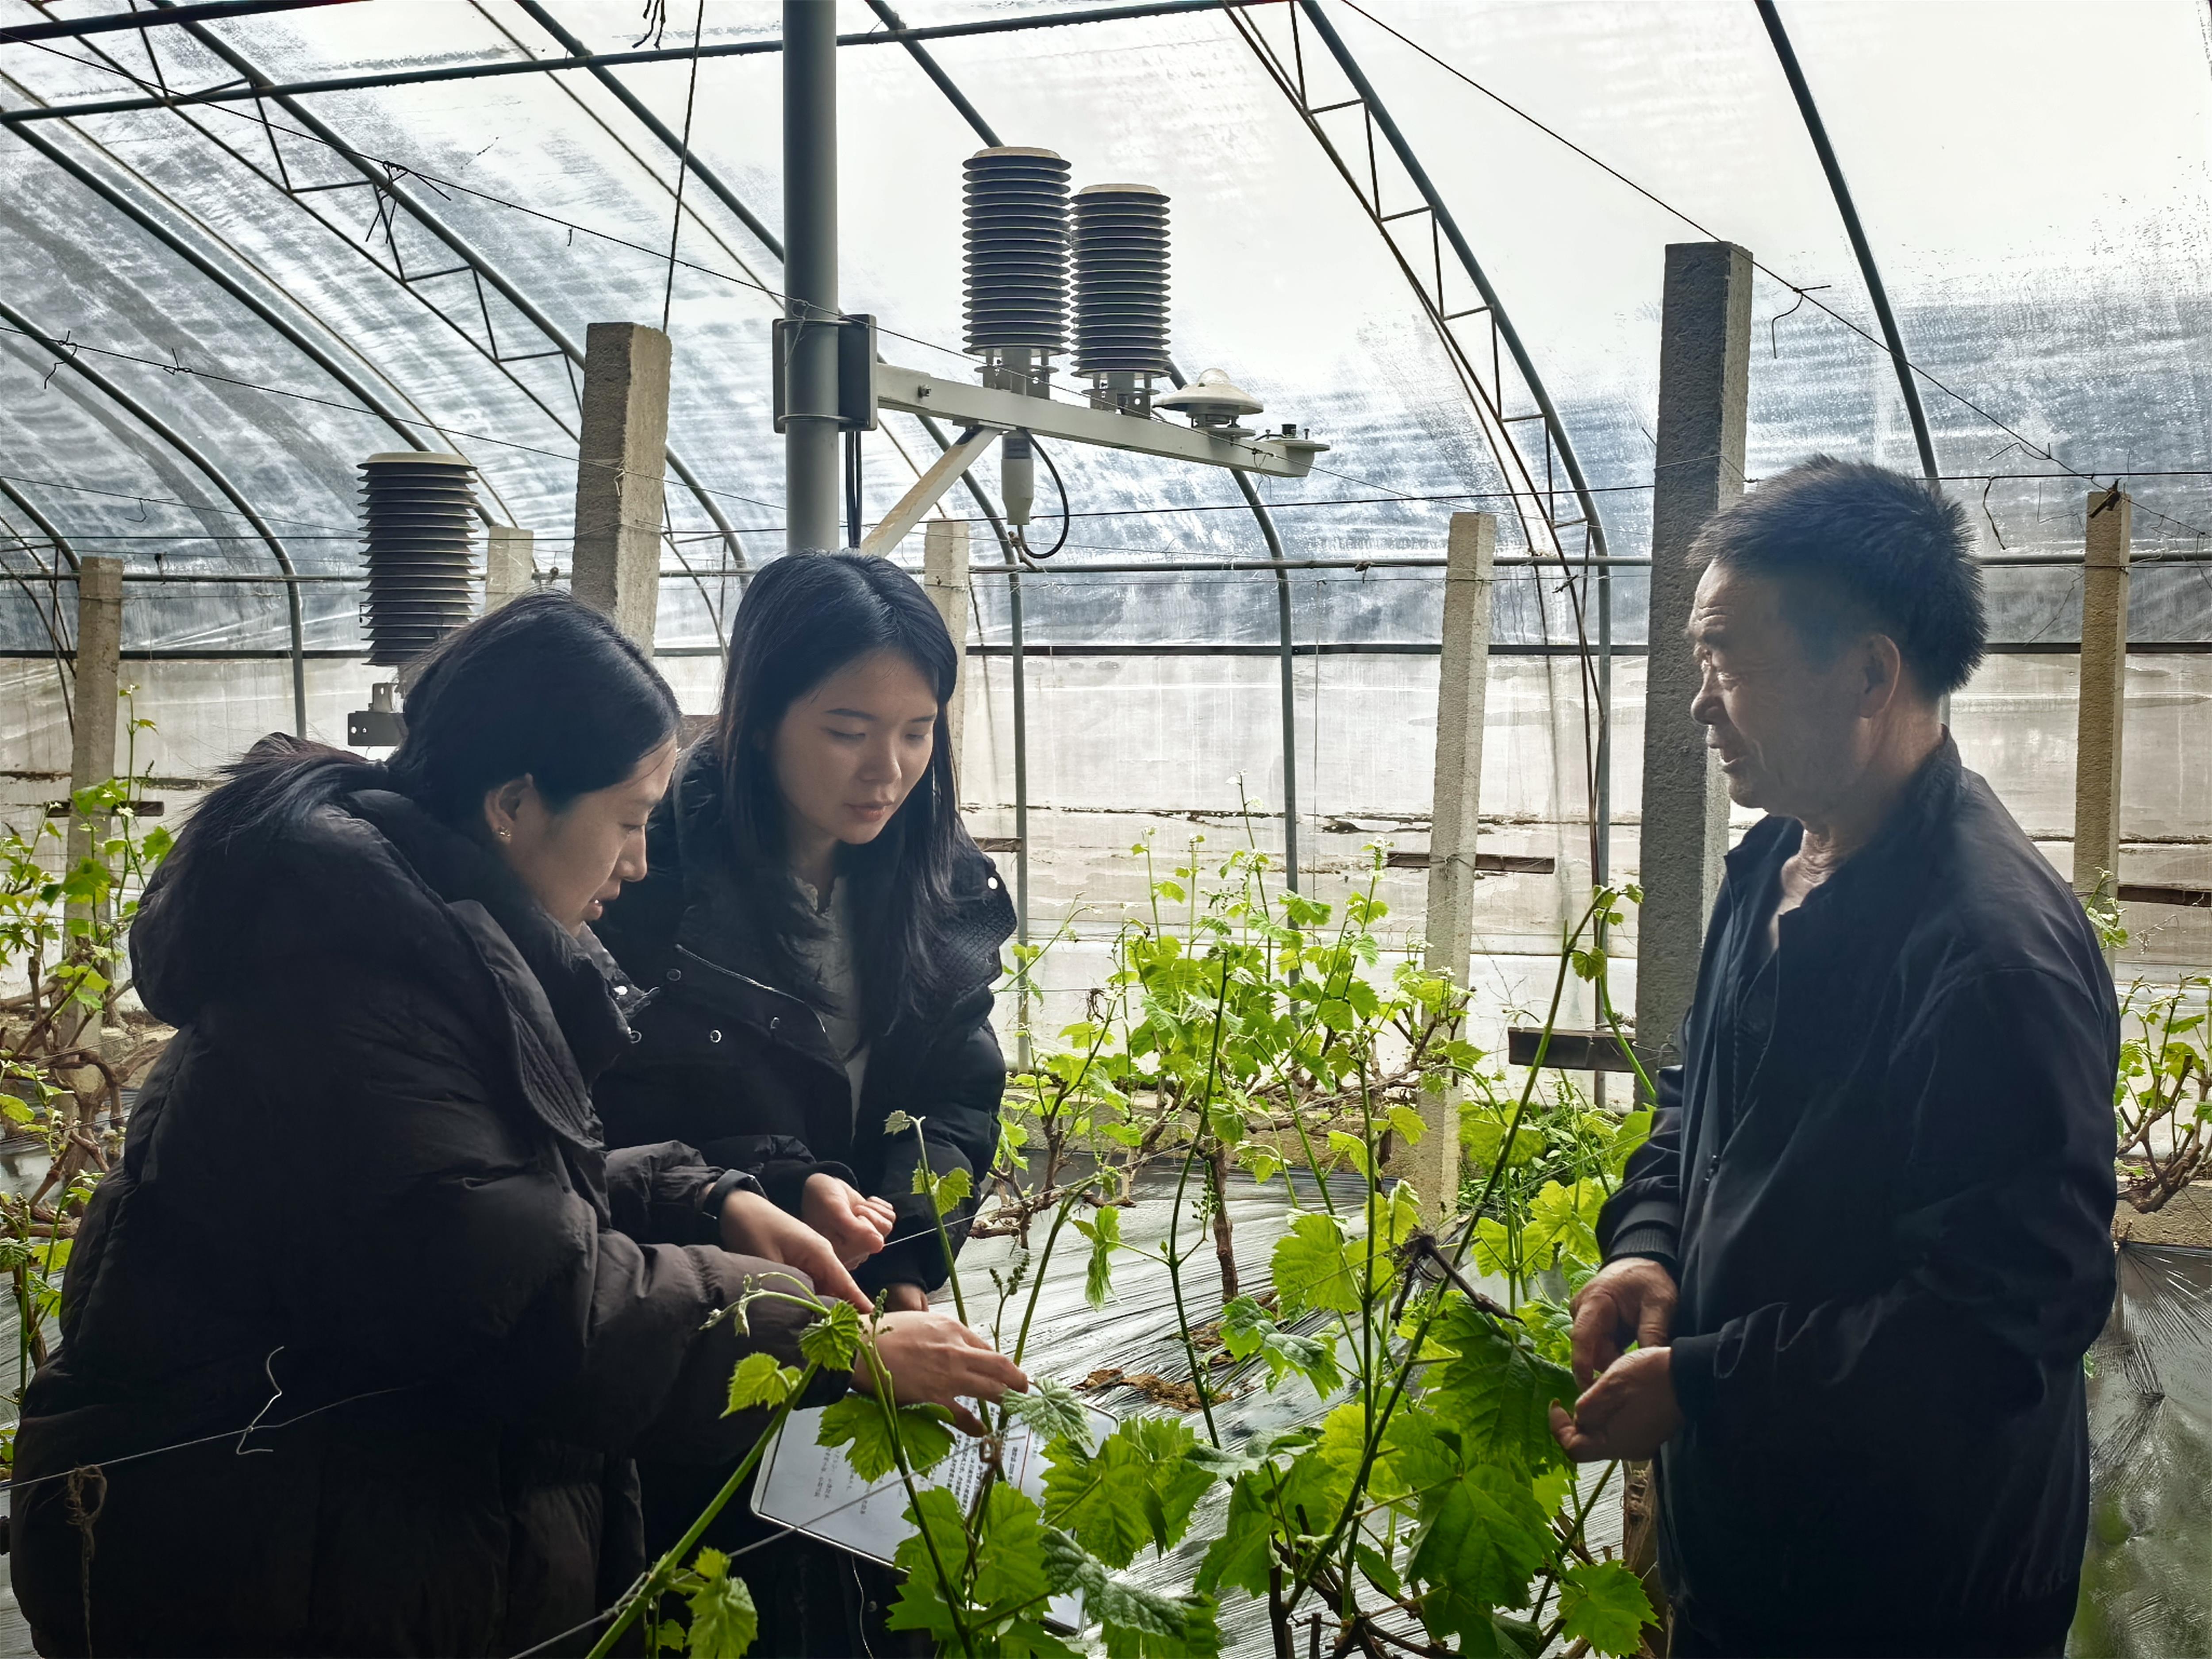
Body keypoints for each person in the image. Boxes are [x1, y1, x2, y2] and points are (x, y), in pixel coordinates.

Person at [9, 593, 1024, 1658]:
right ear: (512, 806)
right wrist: (835, 1343)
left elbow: (482, 1202)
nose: (639, 862)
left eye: (918, 732)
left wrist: (712, 1198)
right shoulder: (352, 991)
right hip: (260, 1551)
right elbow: (536, 1304)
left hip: (336, 1529)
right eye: (627, 821)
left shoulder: (423, 942)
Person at [1550, 459, 2118, 1658]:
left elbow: (2001, 1324)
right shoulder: (1774, 861)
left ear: (1868, 673)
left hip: (1908, 1593)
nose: (1700, 704)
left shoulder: (1987, 954)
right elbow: (1698, 1099)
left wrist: (1705, 1380)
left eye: (1726, 659)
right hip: (1755, 1553)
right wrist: (1648, 1243)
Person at [592, 552, 1014, 1652]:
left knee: (874, 1597)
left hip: (873, 1312)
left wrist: (911, 1255)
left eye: (917, 731)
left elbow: (957, 1096)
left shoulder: (938, 881)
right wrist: (777, 1182)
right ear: (759, 716)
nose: (888, 770)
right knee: (716, 1595)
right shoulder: (646, 875)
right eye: (847, 730)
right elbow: (609, 1121)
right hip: (708, 1322)